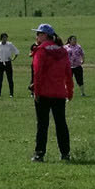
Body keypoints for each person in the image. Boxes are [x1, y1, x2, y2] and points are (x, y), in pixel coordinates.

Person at [28, 24, 74, 162]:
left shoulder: (41, 51)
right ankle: (65, 153)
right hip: (59, 93)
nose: (37, 36)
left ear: (45, 35)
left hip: (43, 93)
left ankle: (39, 154)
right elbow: (68, 73)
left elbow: (38, 73)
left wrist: (36, 90)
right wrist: (69, 91)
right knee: (61, 124)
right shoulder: (63, 51)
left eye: (39, 34)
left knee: (42, 124)